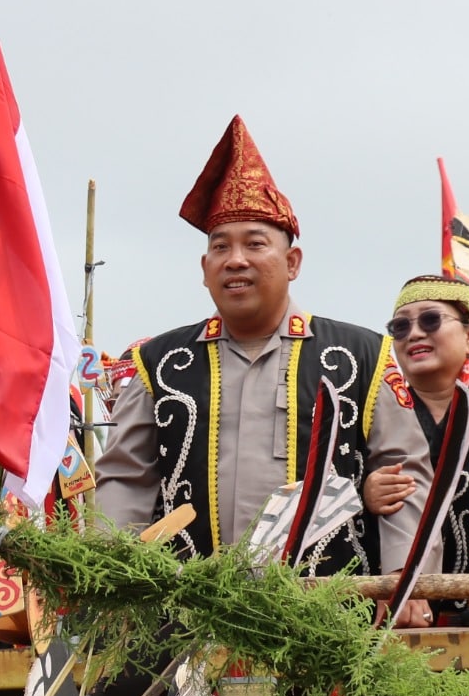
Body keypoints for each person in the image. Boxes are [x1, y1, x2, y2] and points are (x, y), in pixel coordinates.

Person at [94, 116, 426, 573]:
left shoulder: (361, 356)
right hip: (188, 603)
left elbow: (404, 479)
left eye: (254, 244)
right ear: (204, 268)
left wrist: (406, 583)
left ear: (293, 262)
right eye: (220, 247)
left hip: (329, 605)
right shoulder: (160, 365)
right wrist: (111, 576)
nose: (236, 260)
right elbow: (126, 480)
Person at [365, 274, 469, 623]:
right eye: (400, 327)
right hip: (399, 614)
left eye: (431, 320)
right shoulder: (371, 412)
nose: (414, 334)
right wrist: (364, 495)